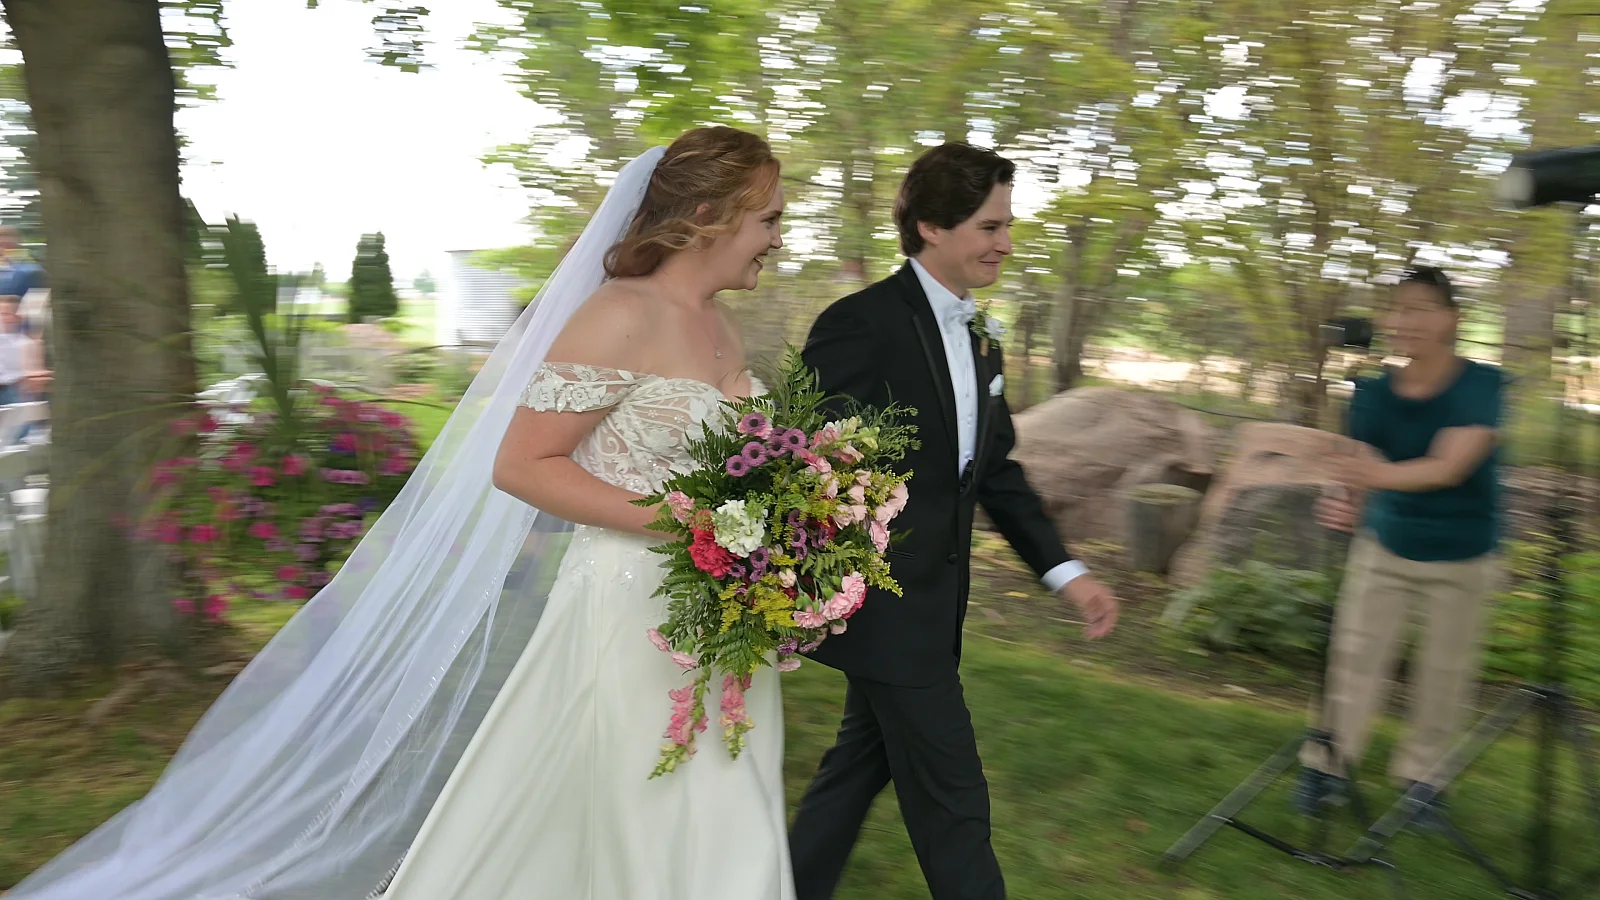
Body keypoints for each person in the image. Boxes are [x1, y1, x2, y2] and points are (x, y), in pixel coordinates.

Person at [6, 126, 794, 900]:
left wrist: (791, 518)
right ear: (708, 216)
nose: (776, 239)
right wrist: (688, 524)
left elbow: (736, 465)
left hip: (724, 607)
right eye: (767, 219)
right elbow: (523, 465)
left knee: (717, 801)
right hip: (629, 607)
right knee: (643, 804)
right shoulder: (619, 315)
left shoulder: (720, 325)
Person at [789, 142, 1120, 900]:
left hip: (937, 608)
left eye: (1007, 226)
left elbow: (994, 473)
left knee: (857, 767)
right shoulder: (859, 324)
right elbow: (808, 463)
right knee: (955, 805)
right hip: (882, 609)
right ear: (932, 227)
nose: (1006, 244)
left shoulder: (981, 339)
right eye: (989, 227)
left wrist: (1067, 573)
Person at [1297, 265, 1503, 819]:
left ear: (1451, 320)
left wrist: (1368, 478)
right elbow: (1360, 463)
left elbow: (1448, 467)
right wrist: (1343, 498)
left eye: (1419, 309)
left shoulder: (1482, 385)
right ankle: (1327, 767)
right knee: (1352, 659)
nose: (1403, 321)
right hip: (1386, 544)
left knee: (1444, 674)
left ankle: (1423, 783)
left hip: (1463, 553)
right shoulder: (1373, 392)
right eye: (1397, 309)